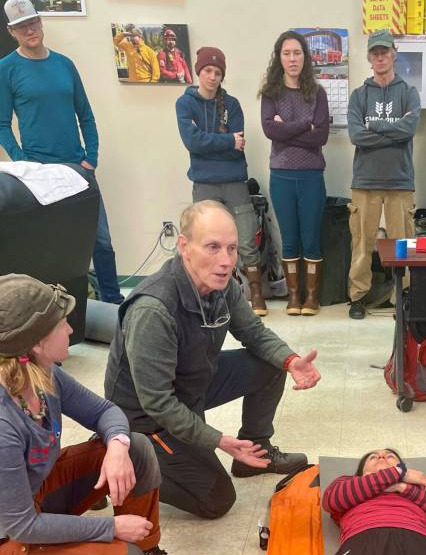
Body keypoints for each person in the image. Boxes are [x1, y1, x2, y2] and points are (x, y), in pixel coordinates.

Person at [0, 274, 202, 555]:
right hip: (11, 530)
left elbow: (107, 412)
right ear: (35, 343)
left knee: (136, 446)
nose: (70, 327)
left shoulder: (43, 375)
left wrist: (118, 448)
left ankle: (147, 549)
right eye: (60, 323)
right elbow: (23, 526)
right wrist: (109, 527)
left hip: (33, 499)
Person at [104, 200, 321, 521]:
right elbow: (158, 403)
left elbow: (255, 334)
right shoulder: (154, 309)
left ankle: (254, 451)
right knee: (216, 499)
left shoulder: (223, 286)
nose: (225, 261)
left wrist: (290, 361)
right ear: (184, 246)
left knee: (270, 363)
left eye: (232, 249)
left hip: (192, 384)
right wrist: (218, 440)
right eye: (213, 247)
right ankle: (112, 465)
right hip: (145, 420)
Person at [0, 0, 124, 305]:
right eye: (20, 26)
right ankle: (51, 310)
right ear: (11, 31)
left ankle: (112, 301)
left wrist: (90, 158)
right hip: (39, 174)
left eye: (32, 22)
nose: (29, 30)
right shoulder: (6, 69)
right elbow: (2, 124)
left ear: (40, 22)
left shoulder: (64, 65)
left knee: (101, 240)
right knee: (47, 244)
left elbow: (86, 115)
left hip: (77, 168)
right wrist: (23, 162)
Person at [176, 46, 265, 313]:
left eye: (217, 72)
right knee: (206, 242)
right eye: (207, 71)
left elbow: (235, 142)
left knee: (247, 238)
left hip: (235, 181)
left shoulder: (233, 104)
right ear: (198, 72)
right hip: (204, 183)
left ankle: (256, 294)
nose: (212, 77)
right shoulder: (185, 104)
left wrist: (212, 142)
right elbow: (192, 142)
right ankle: (205, 298)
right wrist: (227, 141)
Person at [346, 30, 421, 320]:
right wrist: (392, 132)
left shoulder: (409, 93)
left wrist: (373, 129)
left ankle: (401, 296)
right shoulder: (359, 95)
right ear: (369, 57)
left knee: (402, 246)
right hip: (364, 182)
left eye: (385, 52)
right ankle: (358, 297)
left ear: (394, 54)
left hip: (400, 182)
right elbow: (356, 135)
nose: (380, 57)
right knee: (362, 243)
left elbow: (409, 129)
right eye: (375, 53)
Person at [260, 31, 329, 316]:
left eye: (297, 53)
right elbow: (269, 130)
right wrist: (305, 125)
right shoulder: (270, 94)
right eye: (287, 53)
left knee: (311, 237)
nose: (292, 59)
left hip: (312, 175)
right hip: (282, 175)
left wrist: (286, 128)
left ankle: (311, 297)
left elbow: (321, 136)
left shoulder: (318, 93)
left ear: (305, 57)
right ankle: (294, 296)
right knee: (289, 238)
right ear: (279, 57)